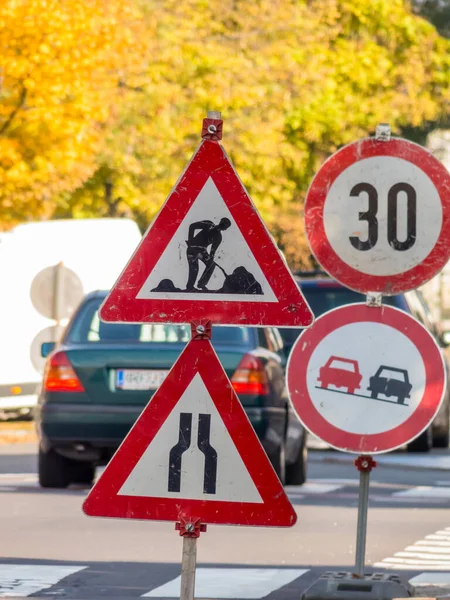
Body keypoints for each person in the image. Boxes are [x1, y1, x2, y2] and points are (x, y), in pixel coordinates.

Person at [185, 218, 231, 291]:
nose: (222, 226)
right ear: (220, 222)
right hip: (192, 249)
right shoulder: (208, 224)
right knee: (194, 268)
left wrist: (210, 258)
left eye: (224, 226)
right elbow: (192, 226)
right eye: (222, 224)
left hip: (202, 251)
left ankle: (201, 284)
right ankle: (190, 287)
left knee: (211, 265)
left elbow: (213, 251)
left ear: (225, 229)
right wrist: (190, 241)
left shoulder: (218, 237)